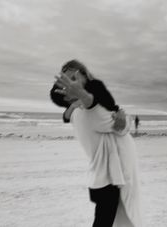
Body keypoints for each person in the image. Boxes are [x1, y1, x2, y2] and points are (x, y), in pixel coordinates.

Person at [50, 60, 143, 227]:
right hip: (108, 180)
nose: (72, 83)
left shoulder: (79, 111)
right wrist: (83, 95)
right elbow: (121, 126)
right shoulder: (85, 113)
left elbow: (109, 116)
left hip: (104, 178)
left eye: (74, 77)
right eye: (67, 81)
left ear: (85, 75)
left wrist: (118, 111)